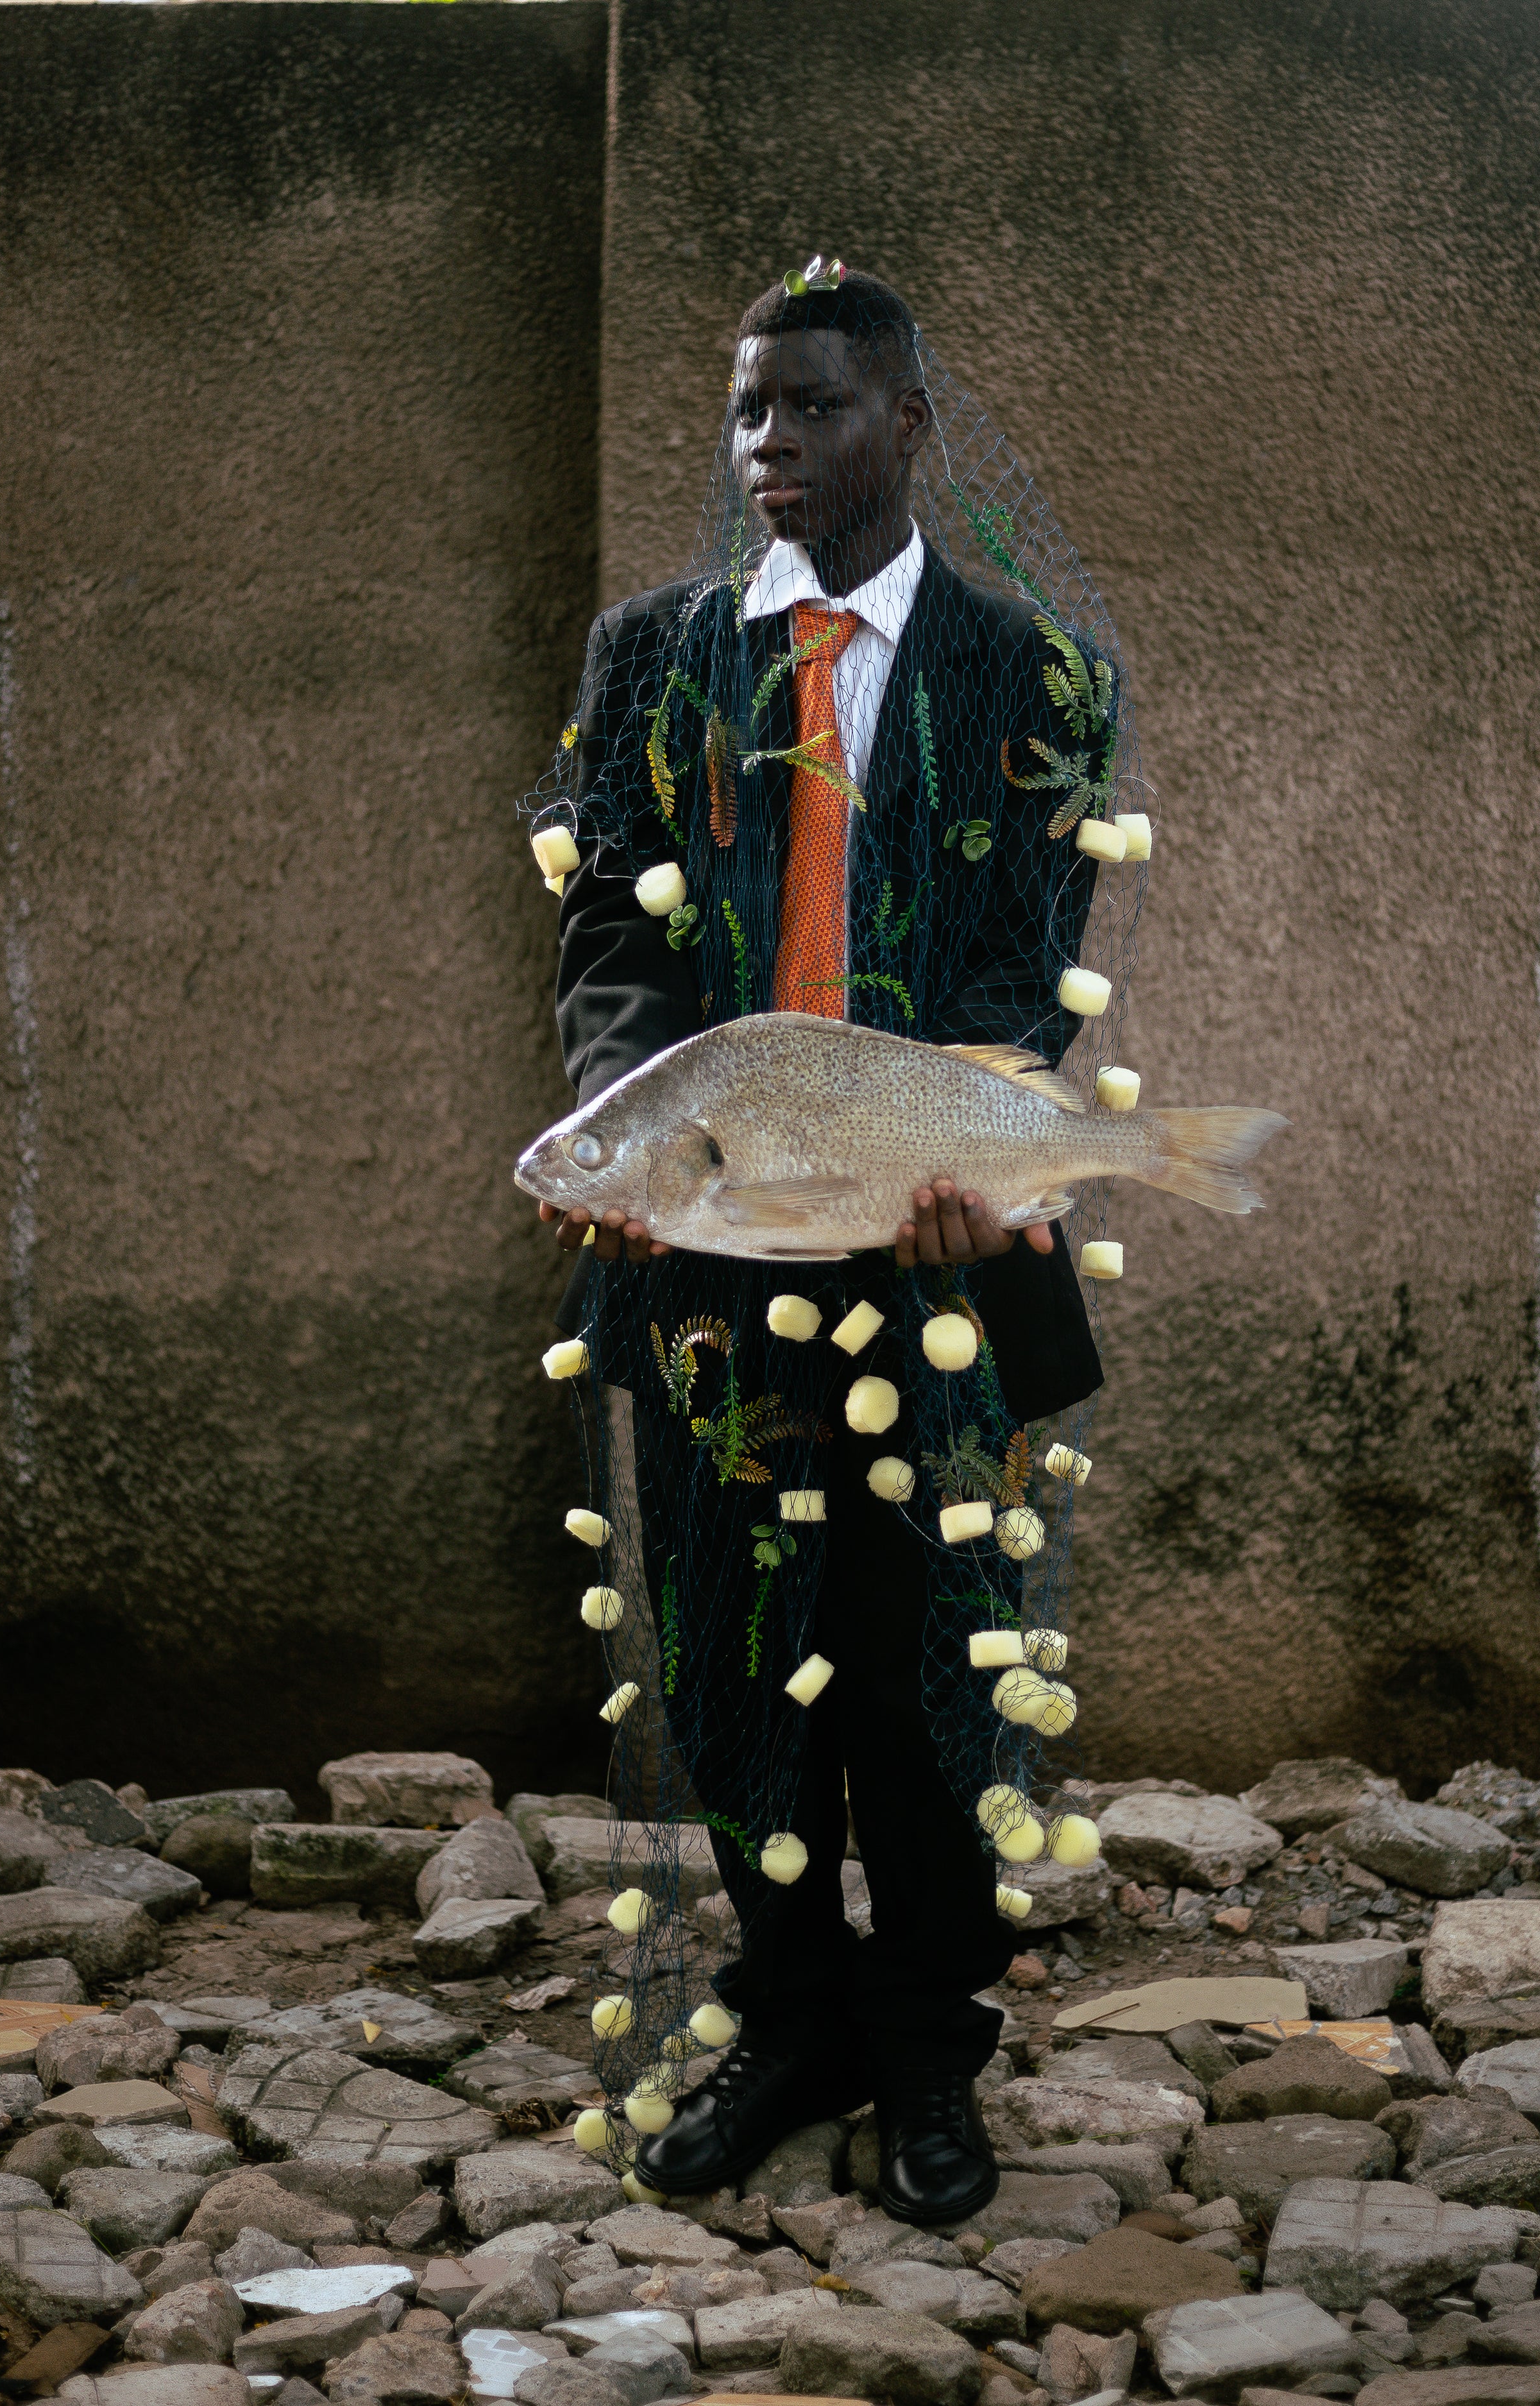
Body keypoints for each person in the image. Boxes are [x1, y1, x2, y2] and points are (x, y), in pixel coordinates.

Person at [534, 267, 1117, 2224]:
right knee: (729, 1662)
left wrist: (973, 1158)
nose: (768, 444)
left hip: (929, 1266)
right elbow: (609, 938)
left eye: (811, 407)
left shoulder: (1020, 675)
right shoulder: (652, 662)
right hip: (703, 1258)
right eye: (746, 413)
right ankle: (784, 2028)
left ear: (908, 426)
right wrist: (651, 1126)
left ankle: (929, 2056)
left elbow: (1022, 983)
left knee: (937, 1671)